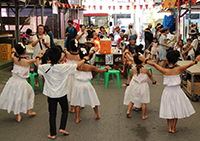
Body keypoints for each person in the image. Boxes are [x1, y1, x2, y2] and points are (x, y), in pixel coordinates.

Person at [37, 46, 90, 139]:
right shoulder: (64, 67)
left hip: (51, 95)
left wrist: (39, 57)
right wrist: (85, 59)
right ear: (60, 57)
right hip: (62, 93)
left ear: (49, 57)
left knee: (52, 114)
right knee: (64, 110)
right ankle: (62, 128)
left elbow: (38, 66)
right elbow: (76, 65)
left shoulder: (45, 67)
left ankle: (52, 133)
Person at [139, 50, 199, 133]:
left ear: (166, 59)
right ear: (176, 60)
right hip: (177, 92)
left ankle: (169, 127)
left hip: (167, 92)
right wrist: (196, 60)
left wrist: (144, 60)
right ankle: (174, 128)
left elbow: (154, 64)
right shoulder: (179, 69)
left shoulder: (165, 70)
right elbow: (190, 64)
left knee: (169, 109)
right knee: (176, 109)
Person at [0, 43, 42, 122]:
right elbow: (36, 59)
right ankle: (29, 111)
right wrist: (40, 55)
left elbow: (12, 55)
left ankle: (19, 115)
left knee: (17, 97)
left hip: (13, 80)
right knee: (30, 94)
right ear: (25, 50)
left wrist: (13, 51)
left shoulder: (15, 59)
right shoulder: (27, 61)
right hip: (22, 82)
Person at [71, 47, 110, 123]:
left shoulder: (77, 66)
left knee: (77, 101)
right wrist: (106, 68)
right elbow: (100, 71)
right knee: (93, 99)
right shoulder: (90, 67)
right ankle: (96, 114)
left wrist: (91, 52)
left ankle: (77, 118)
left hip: (77, 84)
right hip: (86, 84)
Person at [122, 54, 160, 119]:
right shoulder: (145, 70)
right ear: (142, 61)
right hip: (143, 86)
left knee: (132, 99)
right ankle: (143, 115)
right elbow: (150, 76)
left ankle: (128, 111)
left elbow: (130, 77)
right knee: (143, 101)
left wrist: (127, 84)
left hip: (135, 86)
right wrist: (154, 82)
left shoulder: (133, 70)